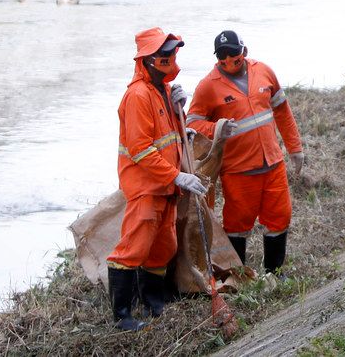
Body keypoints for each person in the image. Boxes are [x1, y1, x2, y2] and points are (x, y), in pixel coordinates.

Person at [107, 27, 209, 331]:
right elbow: (141, 149)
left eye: (171, 53)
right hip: (146, 187)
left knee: (163, 246)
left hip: (165, 186)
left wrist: (181, 114)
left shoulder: (162, 89)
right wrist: (178, 176)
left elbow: (166, 136)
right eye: (163, 54)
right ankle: (122, 315)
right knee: (133, 248)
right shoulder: (138, 95)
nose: (169, 58)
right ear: (148, 59)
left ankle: (153, 300)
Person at [186, 30, 304, 274]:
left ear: (244, 51)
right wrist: (216, 128)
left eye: (233, 54)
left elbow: (282, 111)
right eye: (222, 56)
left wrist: (295, 148)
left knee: (280, 218)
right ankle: (237, 276)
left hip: (272, 164)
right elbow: (191, 124)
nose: (228, 60)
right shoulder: (207, 86)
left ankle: (274, 273)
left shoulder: (264, 71)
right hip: (238, 170)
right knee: (237, 225)